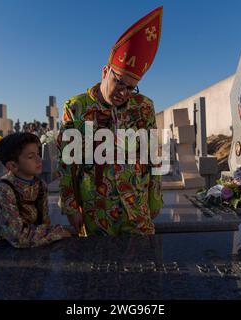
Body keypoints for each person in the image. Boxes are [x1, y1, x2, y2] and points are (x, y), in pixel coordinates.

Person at [57, 6, 164, 237]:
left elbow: (153, 154)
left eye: (131, 87)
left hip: (136, 204)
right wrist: (70, 206)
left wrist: (155, 199)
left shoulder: (144, 106)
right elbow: (67, 163)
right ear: (105, 71)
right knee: (99, 267)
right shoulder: (76, 107)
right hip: (97, 207)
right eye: (120, 83)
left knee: (143, 265)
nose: (124, 92)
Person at [0, 132, 71, 248]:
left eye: (38, 154)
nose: (39, 160)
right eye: (31, 157)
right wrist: (57, 233)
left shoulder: (40, 185)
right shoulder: (4, 190)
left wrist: (50, 233)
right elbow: (18, 237)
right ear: (13, 166)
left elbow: (44, 223)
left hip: (30, 246)